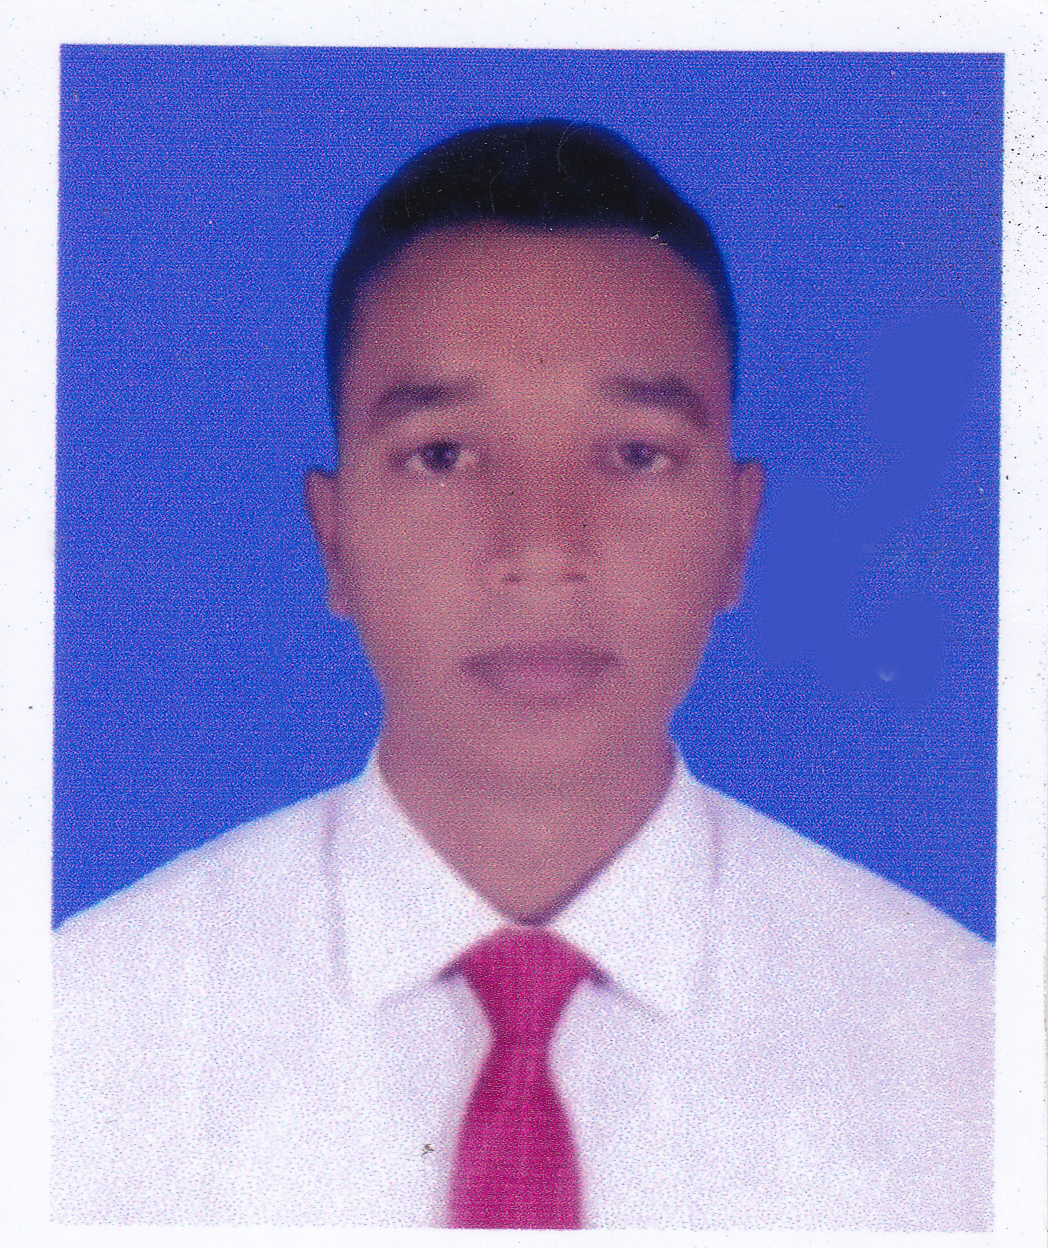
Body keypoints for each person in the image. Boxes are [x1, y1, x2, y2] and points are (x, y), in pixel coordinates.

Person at [52, 119, 992, 1230]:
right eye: (443, 454)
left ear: (738, 534)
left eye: (635, 454)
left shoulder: (967, 1048)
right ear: (334, 539)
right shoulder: (81, 1039)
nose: (542, 548)